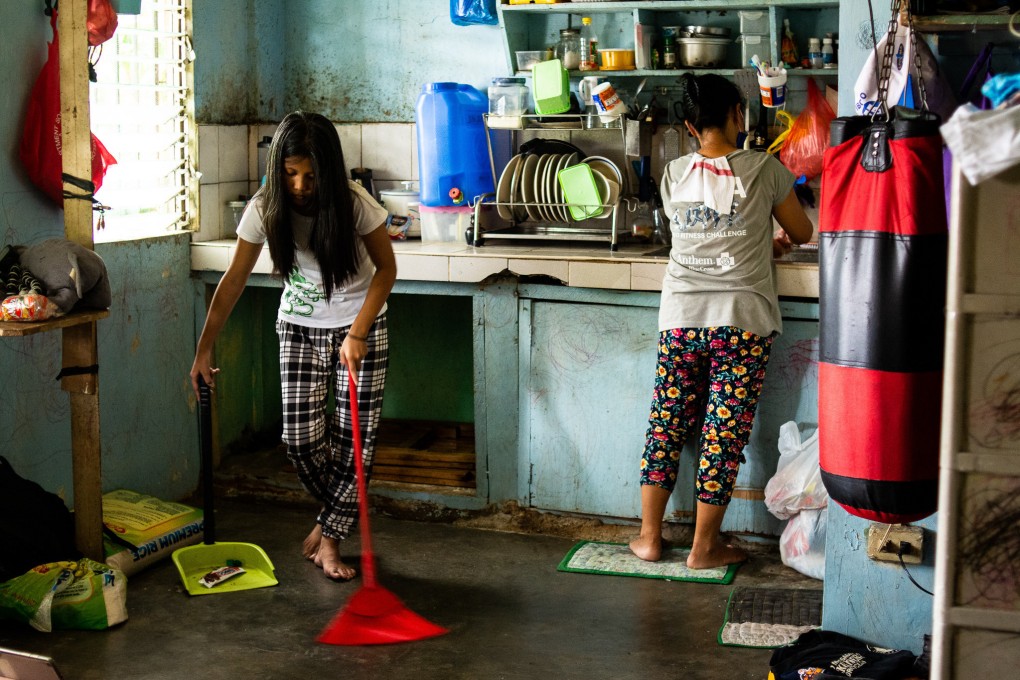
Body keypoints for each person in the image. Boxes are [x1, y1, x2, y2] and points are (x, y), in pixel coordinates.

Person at [190, 111, 396, 581]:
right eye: (290, 173)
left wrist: (358, 332)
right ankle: (335, 515)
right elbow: (234, 279)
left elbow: (386, 270)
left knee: (353, 447)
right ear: (276, 169)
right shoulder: (265, 207)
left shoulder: (355, 204)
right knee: (300, 442)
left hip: (360, 328)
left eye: (310, 174)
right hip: (299, 326)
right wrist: (203, 350)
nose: (301, 185)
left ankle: (330, 539)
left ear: (328, 168)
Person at [629, 74, 813, 569]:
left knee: (666, 424)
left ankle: (648, 538)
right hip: (741, 320)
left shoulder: (673, 173)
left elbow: (701, 234)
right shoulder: (765, 168)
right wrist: (767, 240)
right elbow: (802, 229)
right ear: (739, 114)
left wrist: (754, 238)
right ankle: (703, 547)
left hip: (681, 317)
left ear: (690, 126)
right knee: (723, 433)